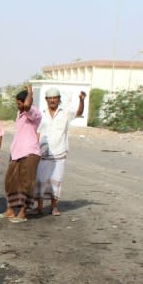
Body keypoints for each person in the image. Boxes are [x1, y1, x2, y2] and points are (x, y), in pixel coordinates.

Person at [34, 88, 86, 216]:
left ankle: (53, 207)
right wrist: (34, 149)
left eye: (55, 98)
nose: (52, 100)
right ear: (46, 100)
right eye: (50, 98)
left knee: (56, 180)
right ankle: (39, 207)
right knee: (40, 179)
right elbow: (38, 132)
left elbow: (79, 112)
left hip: (59, 152)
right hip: (43, 153)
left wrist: (81, 100)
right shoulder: (42, 115)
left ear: (58, 99)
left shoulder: (65, 113)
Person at [0, 85, 41, 222]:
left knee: (26, 183)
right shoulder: (20, 114)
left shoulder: (34, 113)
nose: (18, 106)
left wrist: (30, 92)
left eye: (19, 103)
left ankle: (23, 212)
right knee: (10, 181)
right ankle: (10, 210)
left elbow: (28, 105)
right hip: (17, 152)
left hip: (30, 152)